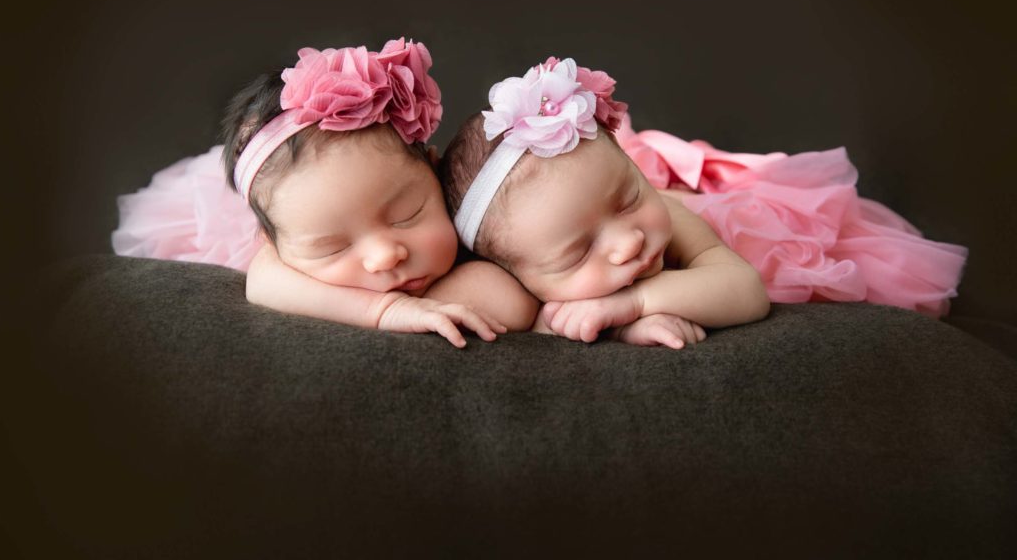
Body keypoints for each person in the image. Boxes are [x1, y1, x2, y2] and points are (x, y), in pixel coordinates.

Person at [439, 57, 968, 345]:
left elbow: (743, 291)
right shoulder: (519, 282)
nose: (629, 241)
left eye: (627, 199)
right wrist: (627, 330)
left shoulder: (666, 214)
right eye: (578, 255)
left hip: (746, 230)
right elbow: (550, 321)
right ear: (520, 275)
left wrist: (635, 303)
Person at [113, 40, 535, 348]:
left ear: (434, 168)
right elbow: (261, 282)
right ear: (273, 246)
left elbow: (511, 302)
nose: (385, 256)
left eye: (406, 215)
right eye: (332, 247)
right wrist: (385, 312)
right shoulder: (281, 249)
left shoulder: (476, 221)